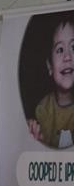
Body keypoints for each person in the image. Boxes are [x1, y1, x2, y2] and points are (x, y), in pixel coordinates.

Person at [27, 12, 74, 148]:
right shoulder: (43, 110)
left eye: (73, 47)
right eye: (60, 50)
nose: (67, 57)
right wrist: (36, 139)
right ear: (50, 67)